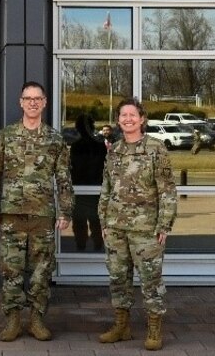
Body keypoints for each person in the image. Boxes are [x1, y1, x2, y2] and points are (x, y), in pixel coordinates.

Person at [0, 81, 74, 342]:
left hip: (42, 216)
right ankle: (12, 320)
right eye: (28, 98)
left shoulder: (55, 139)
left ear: (44, 103)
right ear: (20, 102)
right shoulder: (6, 136)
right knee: (10, 269)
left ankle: (36, 319)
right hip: (11, 214)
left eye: (38, 98)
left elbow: (64, 178)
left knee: (42, 270)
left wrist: (65, 211)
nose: (33, 102)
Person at [98, 98, 177, 351]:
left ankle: (154, 329)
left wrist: (164, 224)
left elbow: (167, 190)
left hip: (146, 229)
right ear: (118, 120)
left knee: (151, 280)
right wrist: (104, 221)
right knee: (118, 278)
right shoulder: (114, 151)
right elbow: (106, 189)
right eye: (123, 115)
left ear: (142, 119)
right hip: (116, 227)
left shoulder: (155, 149)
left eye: (133, 115)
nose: (128, 119)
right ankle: (121, 326)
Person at [70, 113, 106, 252]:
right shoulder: (98, 145)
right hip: (86, 188)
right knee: (87, 221)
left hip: (90, 188)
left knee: (89, 221)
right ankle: (89, 246)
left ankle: (86, 246)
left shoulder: (79, 146)